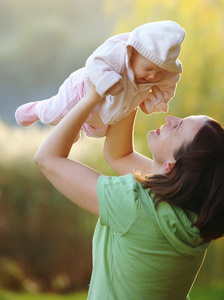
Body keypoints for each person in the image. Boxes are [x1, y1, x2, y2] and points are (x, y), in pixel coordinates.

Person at [34, 83, 224, 299]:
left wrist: (92, 96)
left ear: (172, 165)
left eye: (178, 127)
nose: (170, 119)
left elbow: (47, 159)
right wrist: (134, 86)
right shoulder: (194, 209)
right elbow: (118, 155)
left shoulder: (135, 204)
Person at [16, 20, 185, 138]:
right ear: (132, 54)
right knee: (54, 113)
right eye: (148, 69)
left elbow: (166, 87)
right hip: (81, 92)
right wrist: (108, 81)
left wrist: (155, 102)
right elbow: (94, 63)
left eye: (160, 72)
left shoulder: (161, 75)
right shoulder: (116, 53)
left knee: (97, 132)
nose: (153, 76)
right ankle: (37, 109)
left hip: (108, 110)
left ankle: (73, 129)